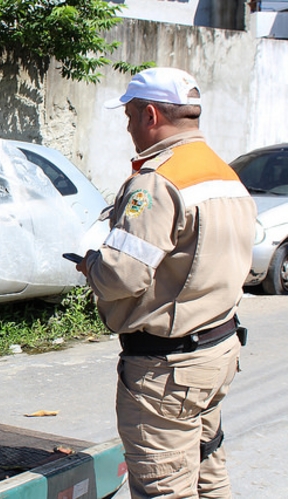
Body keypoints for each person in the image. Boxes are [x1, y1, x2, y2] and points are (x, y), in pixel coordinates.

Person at [75, 68, 256, 498]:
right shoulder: (221, 173)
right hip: (217, 352)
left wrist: (92, 267)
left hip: (168, 370)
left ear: (150, 114)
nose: (128, 127)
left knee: (166, 487)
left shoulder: (157, 181)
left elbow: (122, 274)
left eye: (130, 116)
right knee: (208, 469)